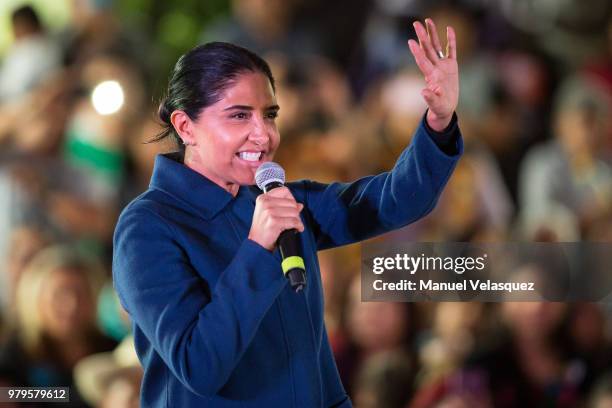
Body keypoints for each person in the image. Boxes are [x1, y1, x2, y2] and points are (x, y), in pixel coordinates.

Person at [112, 18, 462, 407]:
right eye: (239, 115)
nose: (264, 135)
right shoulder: (146, 227)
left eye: (270, 114)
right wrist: (258, 248)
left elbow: (397, 201)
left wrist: (438, 123)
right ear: (185, 126)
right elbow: (199, 365)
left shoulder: (281, 199)